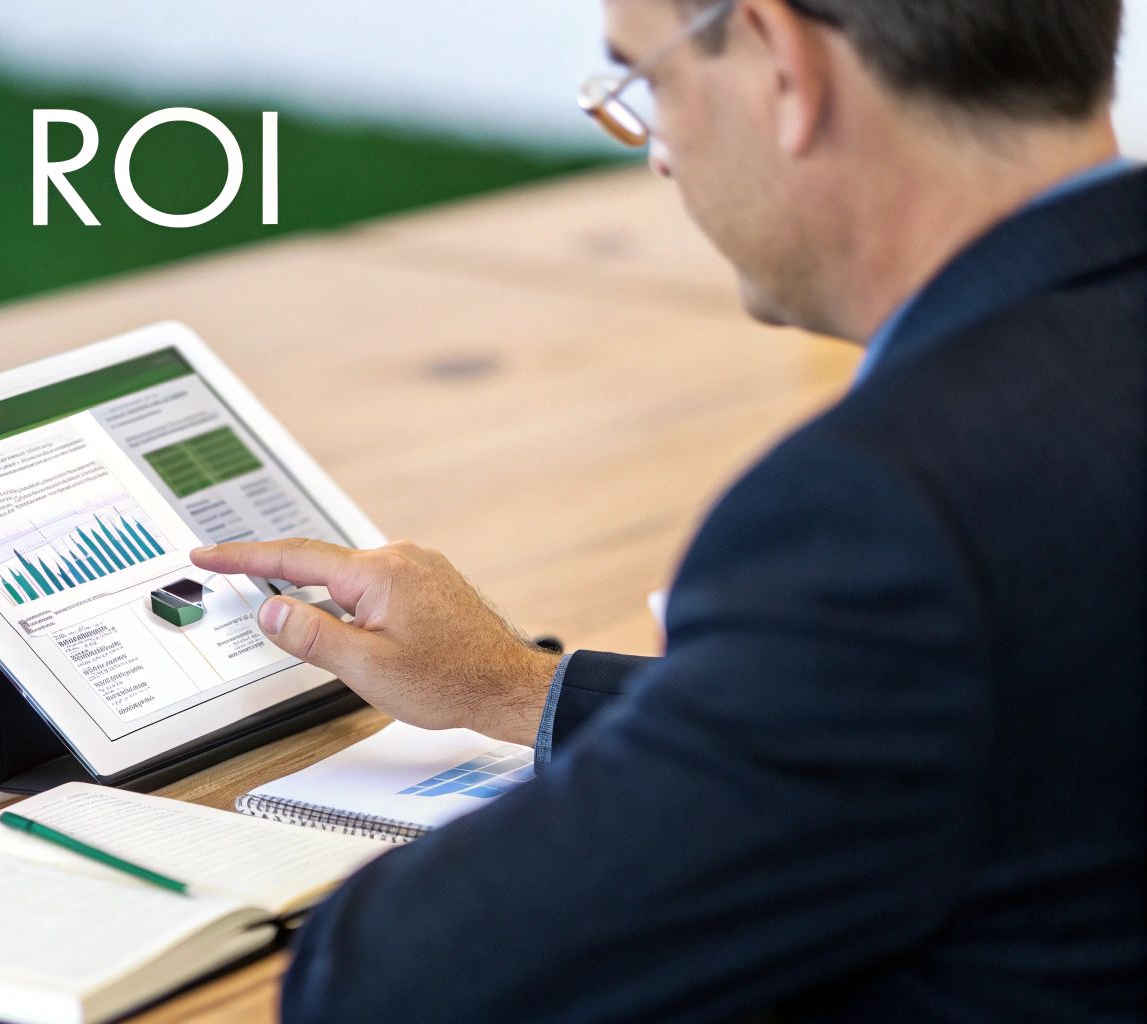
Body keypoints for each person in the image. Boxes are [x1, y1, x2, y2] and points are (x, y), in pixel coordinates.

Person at [189, 0, 1146, 1019]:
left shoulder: (883, 514)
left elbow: (390, 984)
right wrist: (523, 689)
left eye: (646, 84)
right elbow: (975, 711)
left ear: (781, 64)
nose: (658, 157)